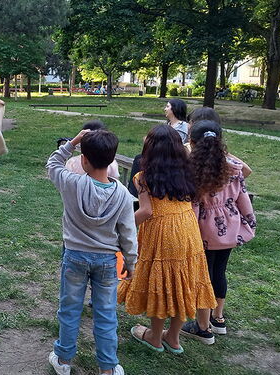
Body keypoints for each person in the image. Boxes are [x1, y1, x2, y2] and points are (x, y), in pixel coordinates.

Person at [118, 125, 216, 354]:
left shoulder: (143, 177)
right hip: (188, 229)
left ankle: (154, 336)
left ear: (150, 150)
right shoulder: (189, 172)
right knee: (184, 282)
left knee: (161, 283)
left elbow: (146, 212)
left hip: (161, 232)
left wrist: (121, 226)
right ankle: (173, 338)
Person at [46, 129, 138, 375]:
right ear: (112, 159)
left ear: (83, 160)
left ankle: (63, 361)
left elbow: (53, 163)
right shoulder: (123, 195)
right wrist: (131, 262)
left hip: (74, 257)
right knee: (106, 314)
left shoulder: (72, 183)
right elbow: (128, 233)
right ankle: (107, 368)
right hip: (108, 262)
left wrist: (72, 142)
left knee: (69, 309)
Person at [180, 120, 256, 343]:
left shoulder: (191, 170)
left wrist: (188, 233)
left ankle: (203, 328)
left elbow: (192, 205)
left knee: (204, 276)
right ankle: (218, 319)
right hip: (230, 228)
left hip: (203, 230)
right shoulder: (233, 166)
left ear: (192, 142)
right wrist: (248, 223)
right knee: (219, 270)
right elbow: (242, 196)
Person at [186, 107, 252, 177]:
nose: (187, 125)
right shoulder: (220, 155)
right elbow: (246, 170)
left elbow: (246, 170)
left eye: (190, 122)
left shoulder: (186, 149)